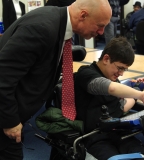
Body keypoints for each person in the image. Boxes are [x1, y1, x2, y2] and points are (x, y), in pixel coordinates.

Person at [0, 0, 112, 159]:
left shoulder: (58, 22)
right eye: (100, 25)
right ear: (83, 15)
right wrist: (10, 122)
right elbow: (2, 78)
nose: (102, 32)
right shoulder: (41, 29)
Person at [73, 37, 144, 160]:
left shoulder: (112, 78)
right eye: (120, 68)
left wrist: (138, 89)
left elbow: (121, 106)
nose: (121, 73)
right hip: (95, 137)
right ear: (106, 59)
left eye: (124, 69)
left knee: (140, 156)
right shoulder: (85, 74)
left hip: (119, 133)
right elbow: (110, 88)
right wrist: (140, 95)